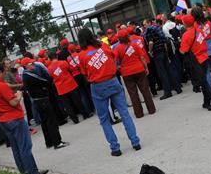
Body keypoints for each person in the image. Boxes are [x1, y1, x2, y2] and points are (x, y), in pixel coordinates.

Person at [77, 28, 141, 156]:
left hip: (97, 86)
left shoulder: (82, 55)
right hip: (113, 81)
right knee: (124, 113)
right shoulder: (104, 46)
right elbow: (113, 59)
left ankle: (115, 148)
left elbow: (84, 73)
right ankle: (135, 142)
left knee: (104, 119)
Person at [0, 63, 48, 174]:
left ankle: (24, 172)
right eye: (4, 71)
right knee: (25, 146)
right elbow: (13, 102)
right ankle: (33, 172)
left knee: (16, 148)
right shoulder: (0, 85)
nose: (5, 74)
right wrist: (19, 95)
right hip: (14, 118)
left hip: (3, 120)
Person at [179, 14, 211, 111]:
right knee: (203, 81)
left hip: (196, 60)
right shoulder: (198, 30)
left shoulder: (186, 35)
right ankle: (206, 102)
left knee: (204, 83)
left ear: (185, 24)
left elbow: (183, 51)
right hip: (204, 56)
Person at [113, 29, 156, 118]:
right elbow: (142, 57)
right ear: (127, 36)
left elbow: (114, 60)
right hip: (139, 69)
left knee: (133, 94)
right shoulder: (134, 45)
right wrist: (146, 67)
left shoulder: (117, 48)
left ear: (119, 39)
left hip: (126, 73)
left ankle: (139, 114)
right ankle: (151, 109)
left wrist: (118, 67)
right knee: (145, 90)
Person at [142, 18, 181, 100]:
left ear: (149, 23)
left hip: (157, 53)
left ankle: (167, 92)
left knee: (162, 73)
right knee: (169, 70)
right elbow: (164, 40)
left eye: (145, 24)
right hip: (163, 51)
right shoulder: (158, 28)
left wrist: (149, 50)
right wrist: (166, 51)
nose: (144, 26)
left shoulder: (149, 31)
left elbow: (151, 42)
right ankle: (178, 88)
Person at [47, 51, 92, 122]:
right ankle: (85, 114)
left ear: (49, 58)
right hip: (70, 84)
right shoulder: (63, 62)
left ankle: (75, 119)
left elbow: (51, 77)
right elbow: (70, 69)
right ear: (57, 56)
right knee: (77, 100)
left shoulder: (49, 68)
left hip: (60, 88)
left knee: (67, 104)